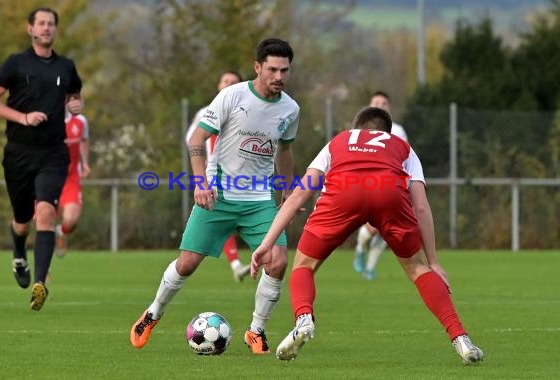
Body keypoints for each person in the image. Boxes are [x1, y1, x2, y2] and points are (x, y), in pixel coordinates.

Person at [250, 106, 484, 364]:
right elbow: (420, 206)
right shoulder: (402, 146)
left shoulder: (338, 141)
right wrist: (434, 262)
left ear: (356, 129)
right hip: (388, 194)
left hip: (343, 193)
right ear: (387, 132)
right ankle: (461, 339)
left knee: (303, 265)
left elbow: (297, 196)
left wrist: (266, 243)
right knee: (418, 270)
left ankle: (304, 318)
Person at [130, 38, 300, 354]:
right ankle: (153, 312)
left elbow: (285, 150)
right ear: (258, 67)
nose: (279, 76)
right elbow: (197, 138)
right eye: (273, 69)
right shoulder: (231, 96)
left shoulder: (290, 109)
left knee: (277, 261)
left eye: (285, 70)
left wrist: (288, 188)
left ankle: (257, 331)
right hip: (217, 195)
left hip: (259, 199)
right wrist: (199, 183)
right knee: (187, 264)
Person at [0, 7, 83, 311]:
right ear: (30, 29)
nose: (46, 28)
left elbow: (74, 95)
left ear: (56, 29)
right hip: (18, 154)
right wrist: (23, 117)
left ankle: (40, 282)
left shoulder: (66, 66)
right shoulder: (16, 63)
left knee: (45, 213)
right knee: (22, 221)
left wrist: (75, 104)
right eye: (40, 24)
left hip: (53, 155)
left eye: (51, 24)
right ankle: (19, 254)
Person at [185, 70, 251, 283]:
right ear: (218, 84)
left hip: (241, 177)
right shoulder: (206, 112)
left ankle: (238, 263)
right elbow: (192, 139)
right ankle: (236, 264)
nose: (229, 85)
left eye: (234, 82)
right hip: (213, 175)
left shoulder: (247, 112)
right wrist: (200, 170)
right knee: (219, 217)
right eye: (226, 81)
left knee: (227, 220)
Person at [353, 90, 409, 280]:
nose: (379, 106)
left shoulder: (398, 130)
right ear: (369, 105)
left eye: (383, 103)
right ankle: (360, 249)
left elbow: (405, 158)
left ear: (389, 107)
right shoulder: (359, 130)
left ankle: (369, 268)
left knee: (386, 230)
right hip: (368, 184)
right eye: (376, 102)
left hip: (392, 184)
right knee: (374, 226)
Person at [54, 112, 91, 257]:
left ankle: (61, 232)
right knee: (43, 220)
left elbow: (84, 140)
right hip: (49, 177)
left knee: (71, 220)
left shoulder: (80, 120)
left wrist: (85, 162)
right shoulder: (47, 116)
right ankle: (43, 268)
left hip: (71, 179)